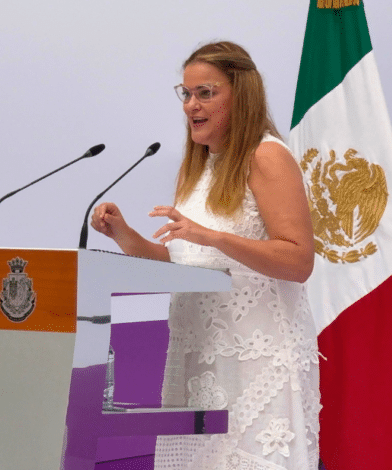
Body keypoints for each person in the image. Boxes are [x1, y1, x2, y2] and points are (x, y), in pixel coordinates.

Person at [91, 41, 321, 469]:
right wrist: (124, 234)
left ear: (241, 94)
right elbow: (184, 264)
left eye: (205, 93)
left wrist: (214, 236)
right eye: (186, 93)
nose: (191, 106)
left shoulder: (266, 156)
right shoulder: (196, 167)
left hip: (256, 361)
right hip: (197, 357)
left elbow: (298, 260)